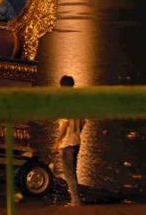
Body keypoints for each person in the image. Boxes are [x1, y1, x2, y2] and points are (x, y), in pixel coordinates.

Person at [53, 75, 85, 206]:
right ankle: (76, 199)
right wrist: (77, 133)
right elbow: (83, 121)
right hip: (76, 141)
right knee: (73, 171)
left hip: (67, 143)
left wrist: (57, 142)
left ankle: (75, 201)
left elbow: (65, 125)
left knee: (69, 173)